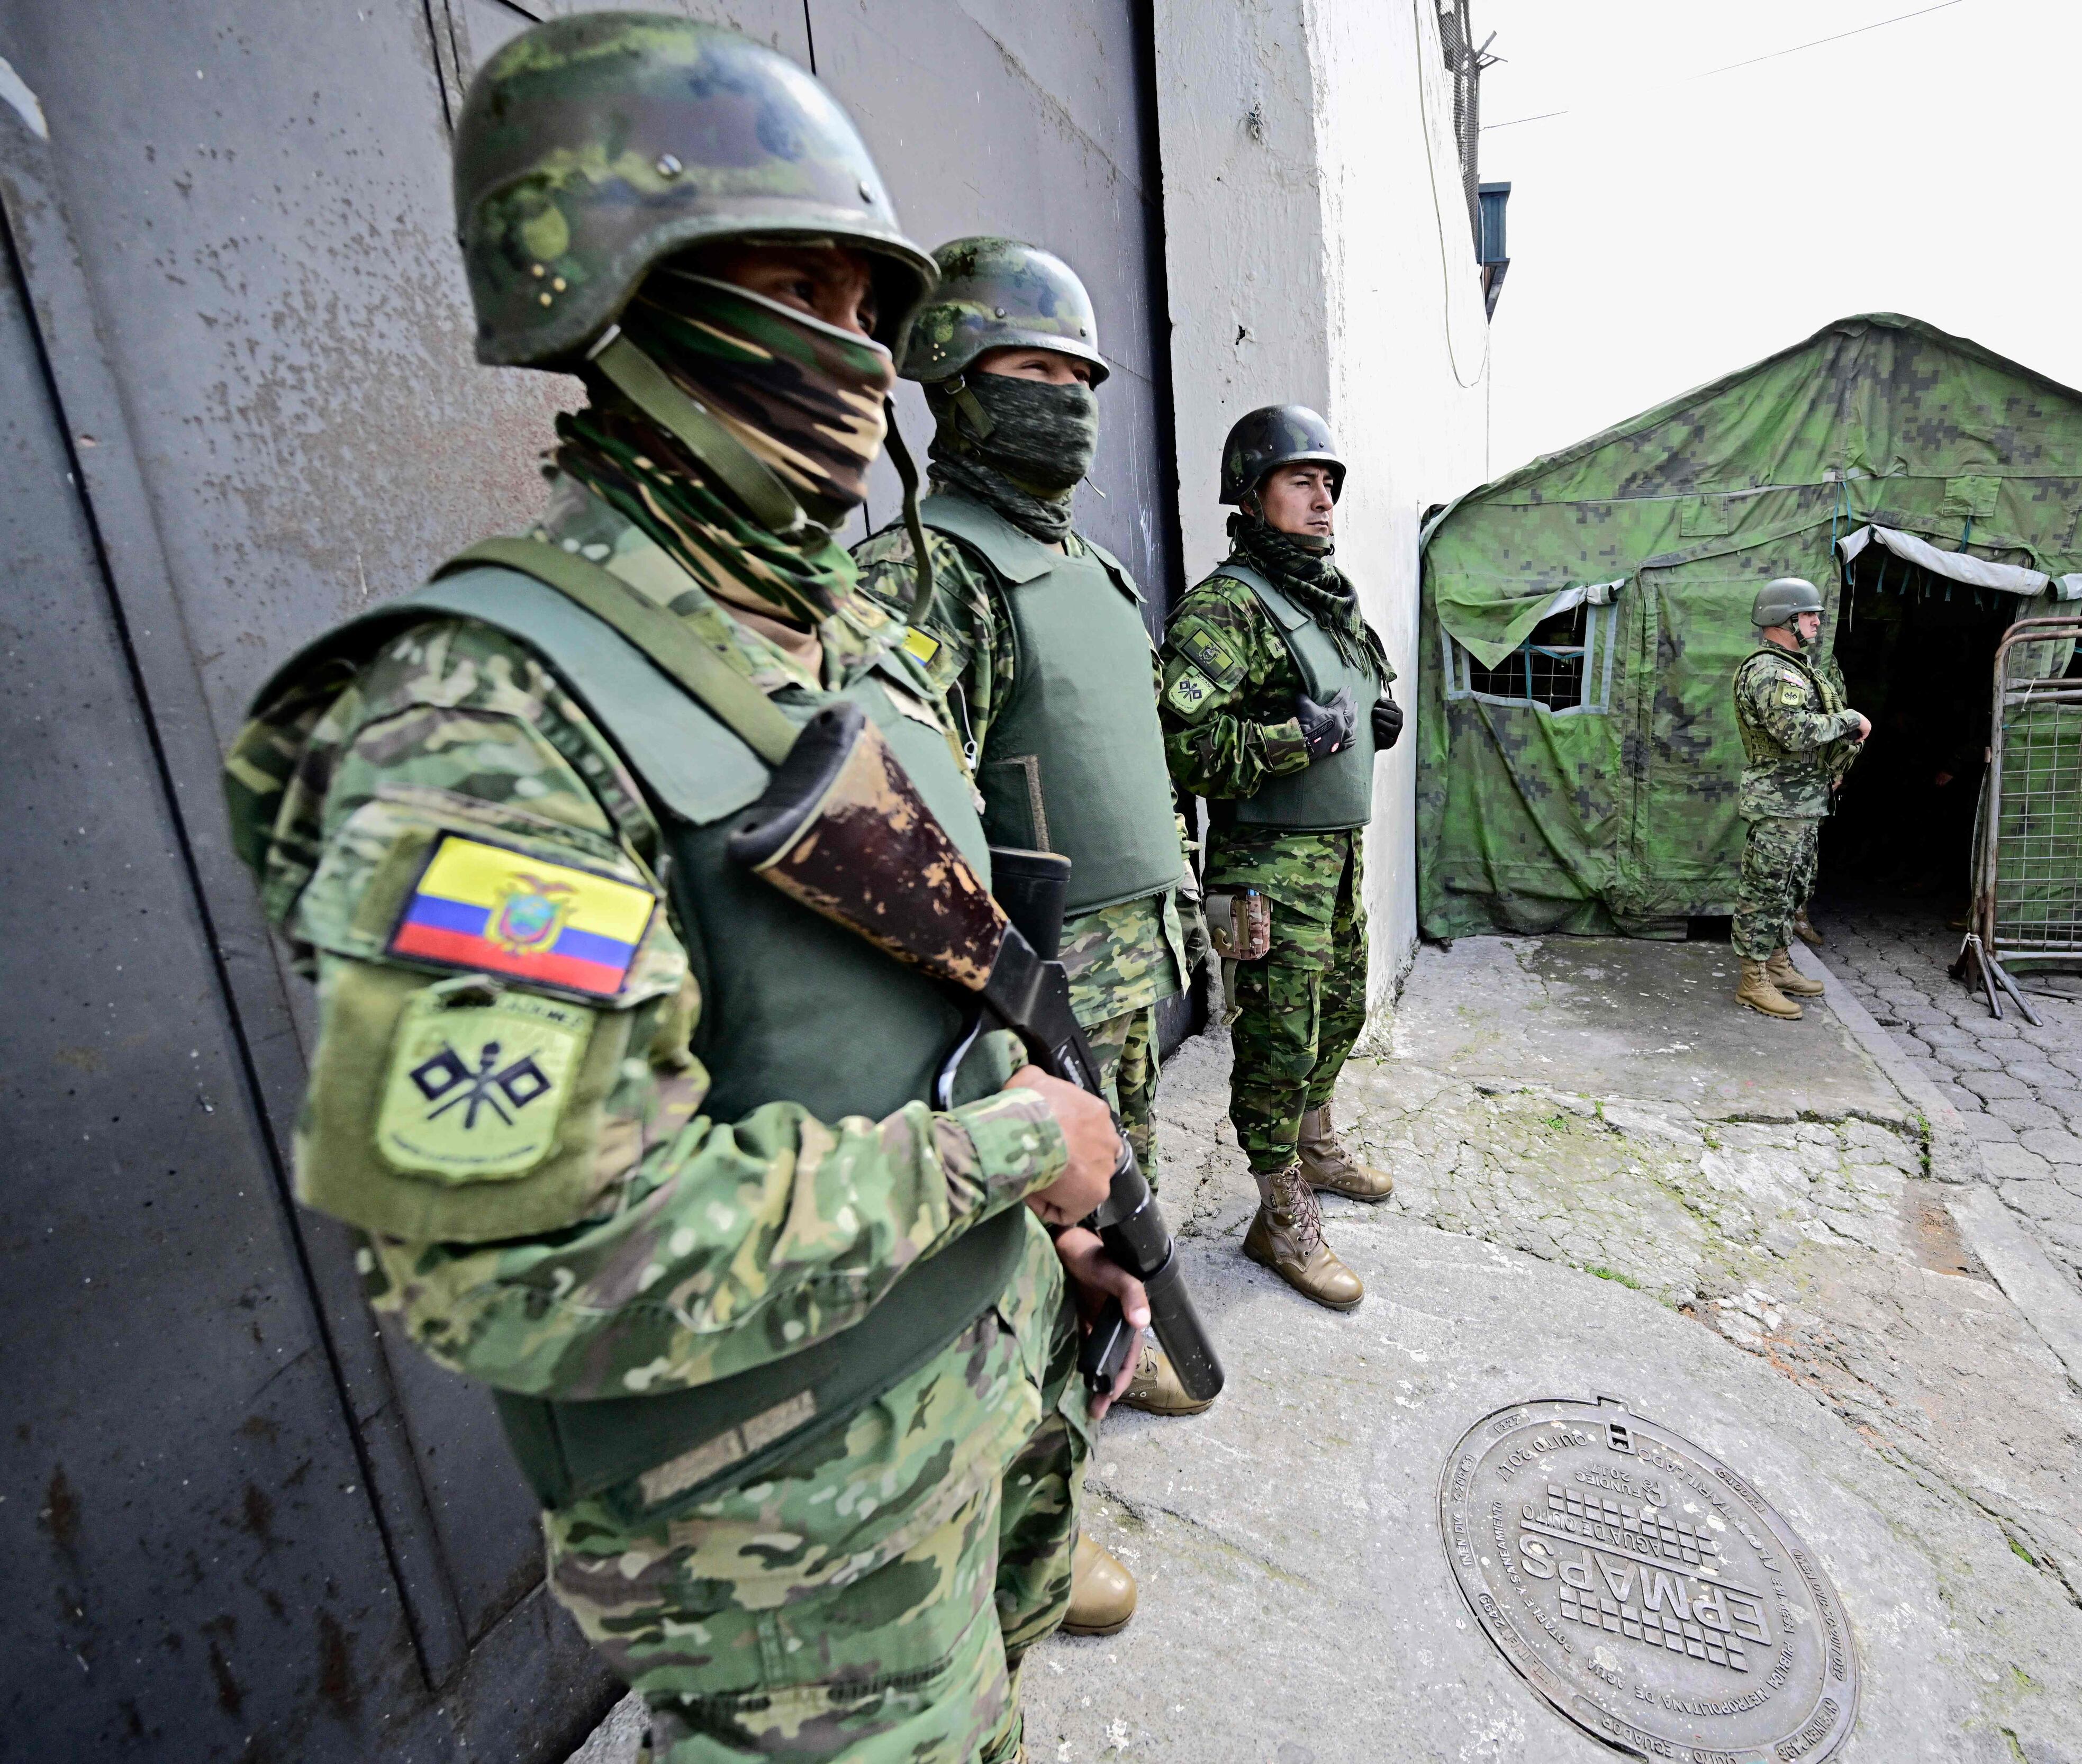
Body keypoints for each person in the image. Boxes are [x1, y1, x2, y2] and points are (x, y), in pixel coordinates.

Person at [219, 17, 1140, 1759]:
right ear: (615, 294)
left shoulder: (846, 627)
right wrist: (1010, 1151)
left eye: (873, 306)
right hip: (789, 1564)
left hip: (969, 1413)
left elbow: (925, 998)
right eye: (798, 285)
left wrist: (1055, 1235)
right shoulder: (483, 724)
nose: (857, 353)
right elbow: (528, 1266)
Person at [854, 234, 1207, 1446]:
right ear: (954, 382)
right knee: (1029, 1223)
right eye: (1031, 373)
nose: (1067, 405)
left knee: (1122, 1191)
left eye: (1081, 382)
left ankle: (1099, 1371)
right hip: (1030, 987)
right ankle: (1038, 1445)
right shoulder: (931, 570)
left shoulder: (1091, 567)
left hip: (1130, 958)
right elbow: (901, 828)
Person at [1158, 406, 1400, 1310]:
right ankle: (1278, 1214)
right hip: (1266, 866)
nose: (1323, 495)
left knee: (1336, 1013)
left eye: (1329, 481)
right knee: (1274, 1041)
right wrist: (1294, 737)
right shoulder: (1229, 606)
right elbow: (1178, 744)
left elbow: (1359, 683)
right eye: (1302, 479)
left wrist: (1374, 715)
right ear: (1254, 493)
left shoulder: (1324, 596)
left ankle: (1318, 1143)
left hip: (1334, 858)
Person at [1732, 578, 1869, 1019]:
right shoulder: (1773, 672)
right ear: (1784, 618)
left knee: (1794, 885)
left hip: (1802, 801)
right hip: (1780, 803)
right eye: (1809, 615)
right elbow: (1794, 732)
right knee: (1766, 888)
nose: (1815, 622)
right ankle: (1753, 981)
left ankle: (1776, 963)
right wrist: (1849, 720)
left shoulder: (1796, 667)